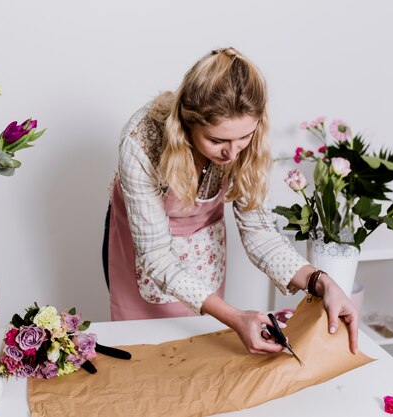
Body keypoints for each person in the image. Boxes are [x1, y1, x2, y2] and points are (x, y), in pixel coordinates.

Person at [102, 47, 358, 355]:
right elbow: (156, 258)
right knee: (144, 352)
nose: (232, 154)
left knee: (200, 348)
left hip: (203, 245)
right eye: (217, 140)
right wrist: (235, 317)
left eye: (243, 138)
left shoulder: (248, 136)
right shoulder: (140, 141)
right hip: (146, 251)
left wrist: (320, 281)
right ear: (186, 123)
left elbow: (260, 233)